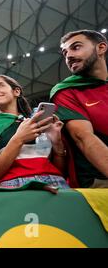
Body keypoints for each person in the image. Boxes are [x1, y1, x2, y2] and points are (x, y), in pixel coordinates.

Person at [0, 75, 69, 189]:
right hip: (16, 187)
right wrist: (19, 138)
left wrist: (57, 143)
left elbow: (60, 171)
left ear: (16, 91)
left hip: (56, 184)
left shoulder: (37, 122)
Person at [50, 29, 108, 188]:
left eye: (75, 47)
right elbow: (83, 138)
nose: (68, 55)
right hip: (98, 183)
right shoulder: (66, 91)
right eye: (65, 52)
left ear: (101, 48)